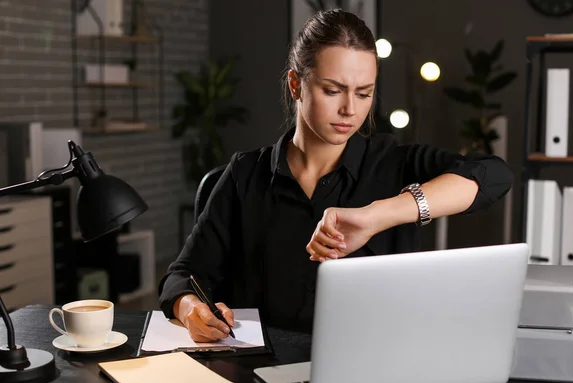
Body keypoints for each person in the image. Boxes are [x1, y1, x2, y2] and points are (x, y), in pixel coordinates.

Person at [158, 9, 514, 342]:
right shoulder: (244, 176)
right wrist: (191, 310)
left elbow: (493, 176)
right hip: (262, 370)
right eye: (333, 90)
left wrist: (377, 216)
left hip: (369, 366)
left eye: (364, 94)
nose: (350, 109)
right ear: (296, 85)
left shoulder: (393, 164)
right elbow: (182, 276)